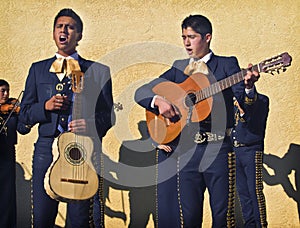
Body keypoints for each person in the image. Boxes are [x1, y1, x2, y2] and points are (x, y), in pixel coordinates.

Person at [134, 14, 260, 227]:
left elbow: (246, 105)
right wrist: (159, 102)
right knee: (189, 217)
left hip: (218, 149)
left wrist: (248, 86)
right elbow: (141, 92)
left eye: (191, 37)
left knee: (223, 216)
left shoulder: (227, 65)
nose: (186, 42)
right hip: (187, 152)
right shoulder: (178, 68)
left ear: (207, 37)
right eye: (184, 37)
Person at [19, 8, 115, 228]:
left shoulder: (98, 71)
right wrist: (44, 107)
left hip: (82, 151)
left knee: (80, 220)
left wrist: (89, 124)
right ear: (54, 33)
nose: (64, 30)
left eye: (70, 27)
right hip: (45, 151)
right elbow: (24, 116)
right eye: (59, 26)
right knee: (42, 218)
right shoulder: (38, 70)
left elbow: (109, 116)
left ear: (79, 35)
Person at [231, 94, 269, 227]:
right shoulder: (232, 102)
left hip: (251, 150)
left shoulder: (262, 100)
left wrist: (243, 105)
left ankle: (261, 225)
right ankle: (250, 225)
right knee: (243, 193)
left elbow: (252, 119)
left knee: (255, 191)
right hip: (235, 151)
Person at [0, 79, 31, 227]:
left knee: (7, 195)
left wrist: (26, 118)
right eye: (2, 91)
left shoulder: (12, 110)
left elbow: (23, 129)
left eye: (7, 90)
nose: (5, 94)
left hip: (7, 155)